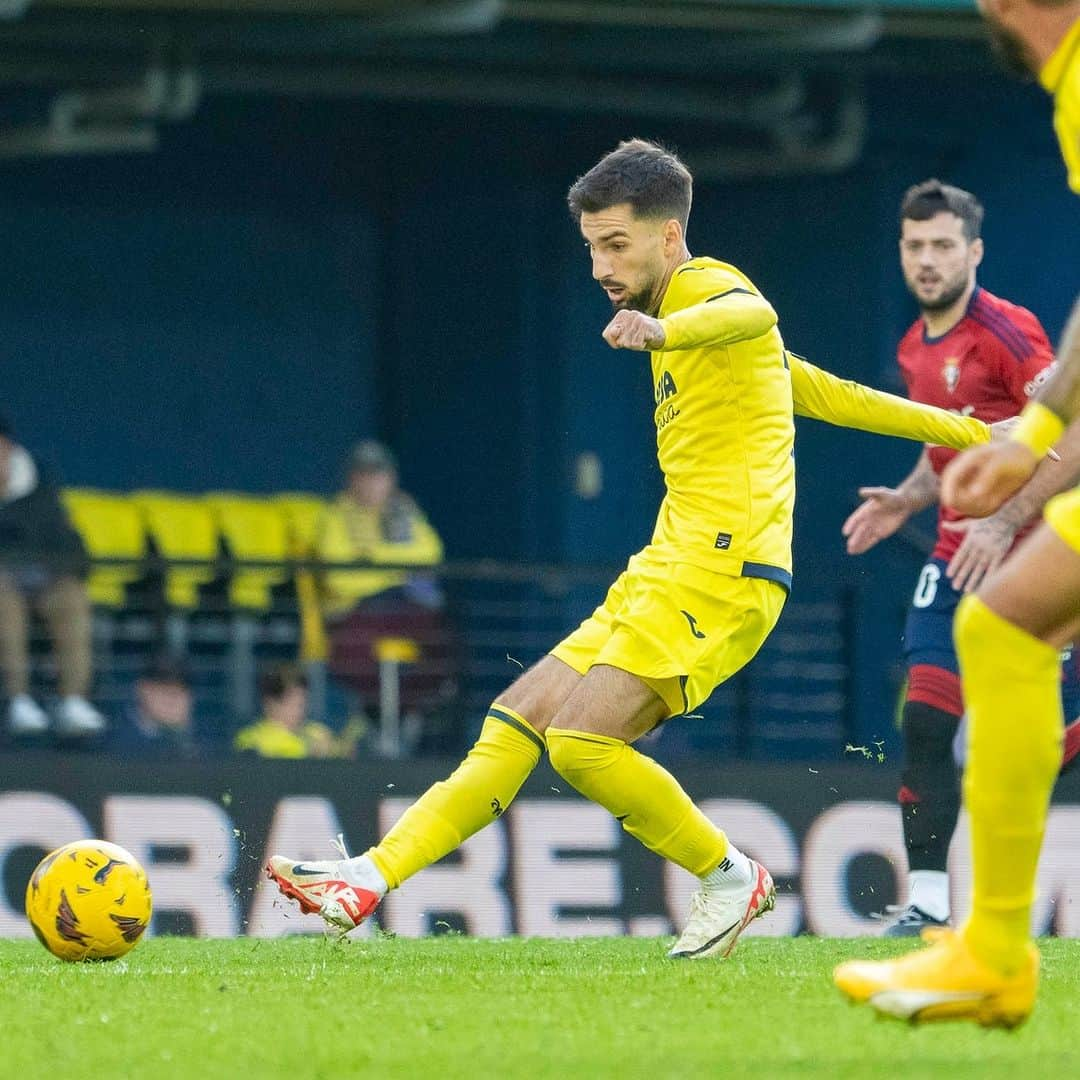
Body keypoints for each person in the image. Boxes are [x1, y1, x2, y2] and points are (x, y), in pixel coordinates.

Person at [266, 139, 1017, 956]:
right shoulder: (709, 338)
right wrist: (977, 431)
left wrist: (666, 328)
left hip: (724, 570)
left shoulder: (702, 290)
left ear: (667, 236)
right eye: (591, 246)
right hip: (667, 564)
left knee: (582, 743)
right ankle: (368, 879)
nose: (598, 265)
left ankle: (730, 877)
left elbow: (753, 312)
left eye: (614, 244)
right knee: (515, 719)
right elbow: (831, 394)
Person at [835, 0, 1080, 1028]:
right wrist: (913, 493)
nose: (926, 261)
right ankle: (977, 943)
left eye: (943, 244)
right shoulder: (910, 349)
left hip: (1016, 520)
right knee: (978, 655)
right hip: (967, 536)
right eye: (913, 245)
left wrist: (1022, 474)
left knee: (995, 638)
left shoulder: (1006, 330)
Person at [315, 441, 454, 735]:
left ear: (390, 478)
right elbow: (338, 580)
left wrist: (373, 561)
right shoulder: (336, 516)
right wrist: (398, 570)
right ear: (352, 479)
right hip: (354, 613)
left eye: (378, 474)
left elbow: (430, 552)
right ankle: (378, 723)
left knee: (444, 642)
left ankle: (422, 724)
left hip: (404, 608)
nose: (371, 483)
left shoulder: (404, 511)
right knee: (357, 656)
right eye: (363, 474)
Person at [0, 416, 105, 737]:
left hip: (43, 580)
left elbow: (66, 544)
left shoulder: (40, 487)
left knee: (71, 596)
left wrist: (55, 573)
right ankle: (18, 699)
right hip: (5, 587)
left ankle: (73, 700)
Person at [234, 663, 341, 759]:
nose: (300, 710)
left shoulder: (318, 732)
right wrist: (311, 752)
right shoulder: (250, 739)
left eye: (302, 702)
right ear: (270, 703)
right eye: (293, 703)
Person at [109, 655, 201, 758]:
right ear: (141, 690)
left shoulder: (212, 744)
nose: (172, 698)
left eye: (181, 689)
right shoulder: (117, 747)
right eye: (162, 688)